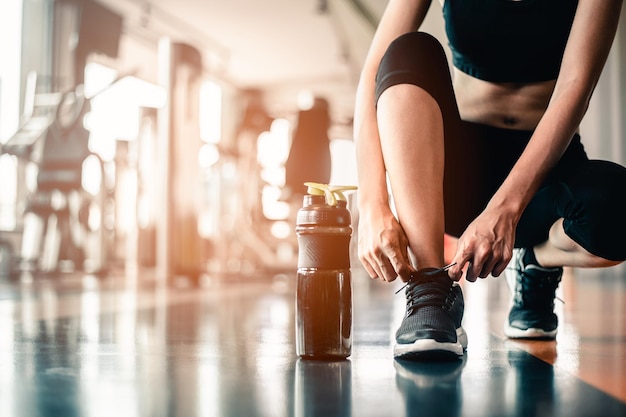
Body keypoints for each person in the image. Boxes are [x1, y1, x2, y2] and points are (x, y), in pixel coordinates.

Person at [353, 0, 626, 359]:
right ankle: (432, 290)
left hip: (544, 179)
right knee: (408, 50)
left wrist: (506, 210)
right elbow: (374, 71)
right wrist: (372, 203)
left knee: (617, 209)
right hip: (459, 174)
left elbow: (577, 84)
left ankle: (536, 262)